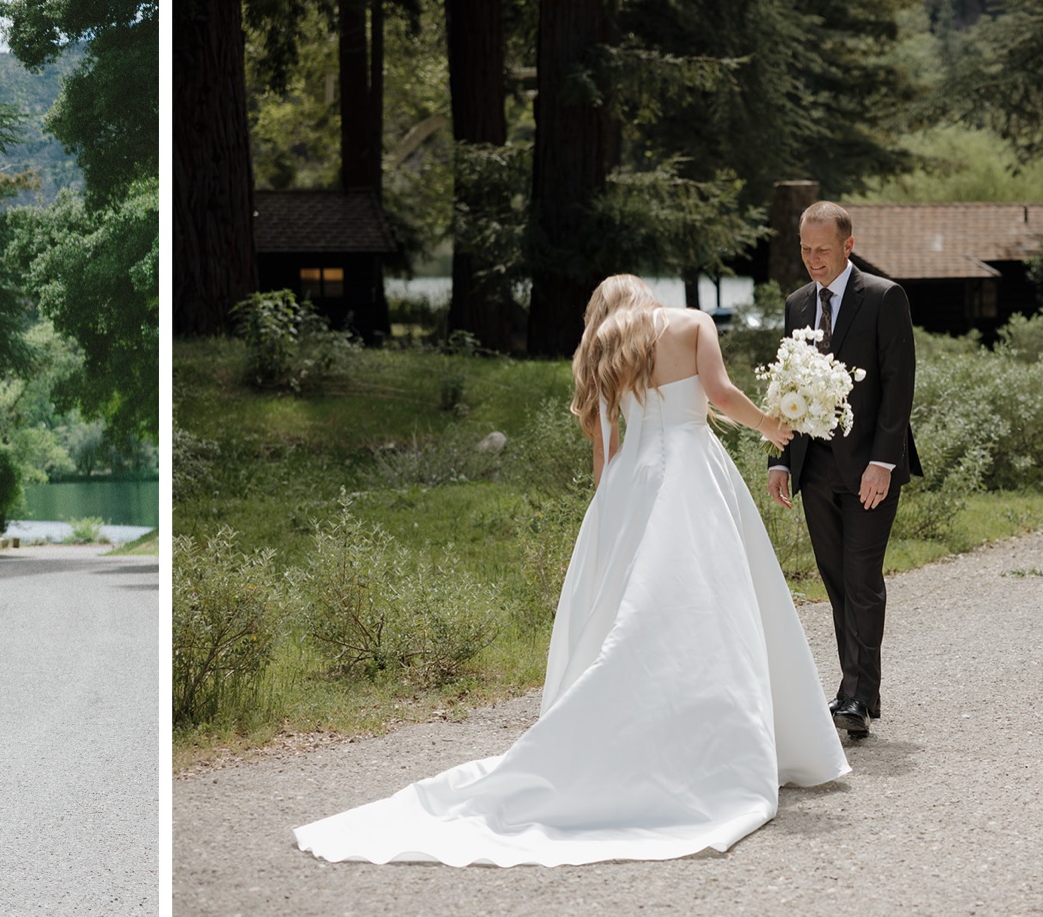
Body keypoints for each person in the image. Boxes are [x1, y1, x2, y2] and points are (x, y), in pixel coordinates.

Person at [293, 275, 849, 867]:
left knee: (632, 606)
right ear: (646, 295)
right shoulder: (692, 323)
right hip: (692, 473)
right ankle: (734, 740)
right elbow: (718, 390)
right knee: (712, 602)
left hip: (636, 479)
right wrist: (769, 423)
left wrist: (607, 513)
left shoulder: (604, 350)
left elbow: (605, 449)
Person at [767, 200, 923, 740]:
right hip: (815, 470)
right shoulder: (795, 304)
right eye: (805, 250)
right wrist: (780, 459)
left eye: (822, 250)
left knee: (861, 577)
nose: (812, 260)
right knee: (835, 579)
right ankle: (860, 691)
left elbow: (898, 385)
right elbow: (784, 387)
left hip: (870, 470)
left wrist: (883, 462)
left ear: (847, 246)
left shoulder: (884, 298)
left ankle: (855, 694)